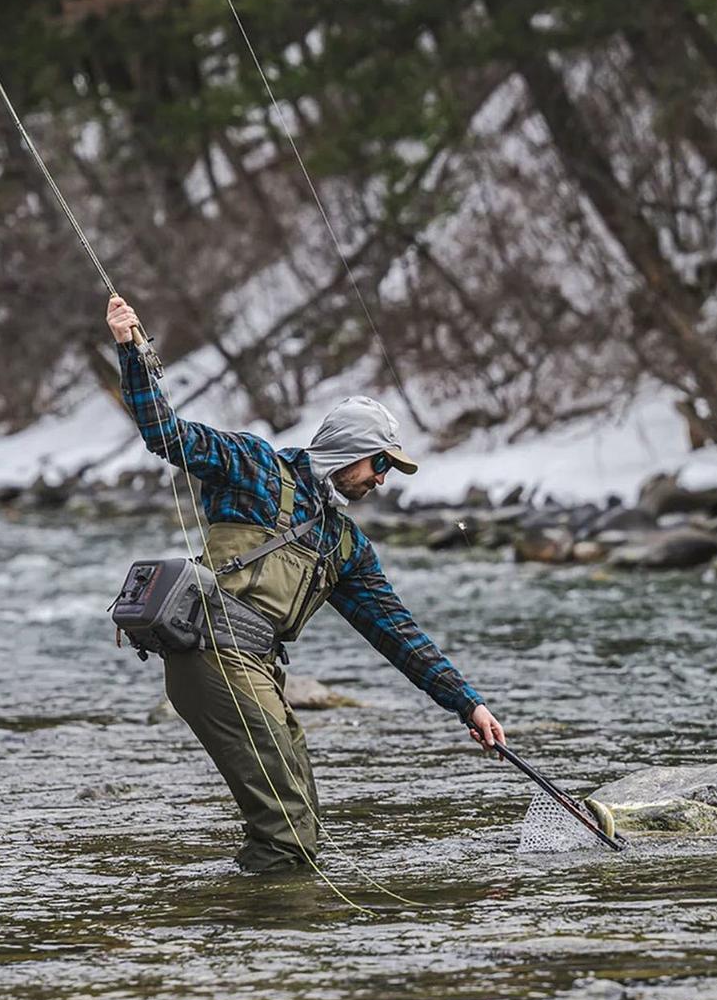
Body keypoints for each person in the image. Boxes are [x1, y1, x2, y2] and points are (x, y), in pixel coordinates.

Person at [107, 295, 506, 872]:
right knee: (288, 833)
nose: (383, 480)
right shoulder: (254, 467)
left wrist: (467, 704)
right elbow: (166, 434)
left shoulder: (346, 545)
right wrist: (131, 352)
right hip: (210, 653)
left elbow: (399, 634)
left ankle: (253, 915)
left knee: (303, 825)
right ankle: (266, 922)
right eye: (381, 464)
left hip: (259, 667)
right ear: (350, 452)